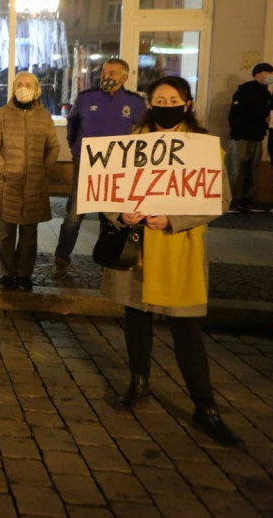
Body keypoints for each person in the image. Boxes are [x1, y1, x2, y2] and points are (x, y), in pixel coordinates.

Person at [105, 75, 241, 447]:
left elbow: (219, 201)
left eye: (172, 99)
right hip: (139, 250)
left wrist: (174, 220)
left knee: (187, 331)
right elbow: (107, 191)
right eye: (158, 100)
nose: (165, 105)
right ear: (150, 103)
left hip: (179, 250)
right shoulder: (130, 144)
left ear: (187, 103)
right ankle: (139, 382)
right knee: (136, 319)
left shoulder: (204, 149)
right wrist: (121, 214)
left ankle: (205, 407)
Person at [55, 59, 146, 268]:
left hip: (117, 172)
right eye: (104, 71)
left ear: (124, 77)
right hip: (86, 168)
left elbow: (143, 134)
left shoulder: (135, 103)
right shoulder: (87, 98)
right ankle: (61, 258)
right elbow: (73, 125)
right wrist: (75, 150)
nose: (106, 76)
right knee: (73, 218)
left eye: (112, 73)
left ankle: (106, 259)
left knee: (110, 219)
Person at [0, 71, 59, 291]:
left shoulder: (45, 117)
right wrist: (3, 168)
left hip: (34, 184)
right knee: (6, 232)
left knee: (29, 234)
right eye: (19, 83)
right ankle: (7, 272)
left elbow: (53, 147)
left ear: (37, 90)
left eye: (28, 84)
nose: (23, 87)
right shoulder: (1, 115)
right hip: (8, 183)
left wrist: (44, 169)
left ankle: (24, 274)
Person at [226, 62, 272, 213]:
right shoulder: (245, 90)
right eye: (268, 73)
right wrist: (237, 134)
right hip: (242, 137)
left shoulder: (266, 94)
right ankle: (228, 202)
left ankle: (247, 200)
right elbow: (235, 114)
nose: (270, 77)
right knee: (235, 170)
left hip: (257, 136)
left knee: (252, 170)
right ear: (258, 74)